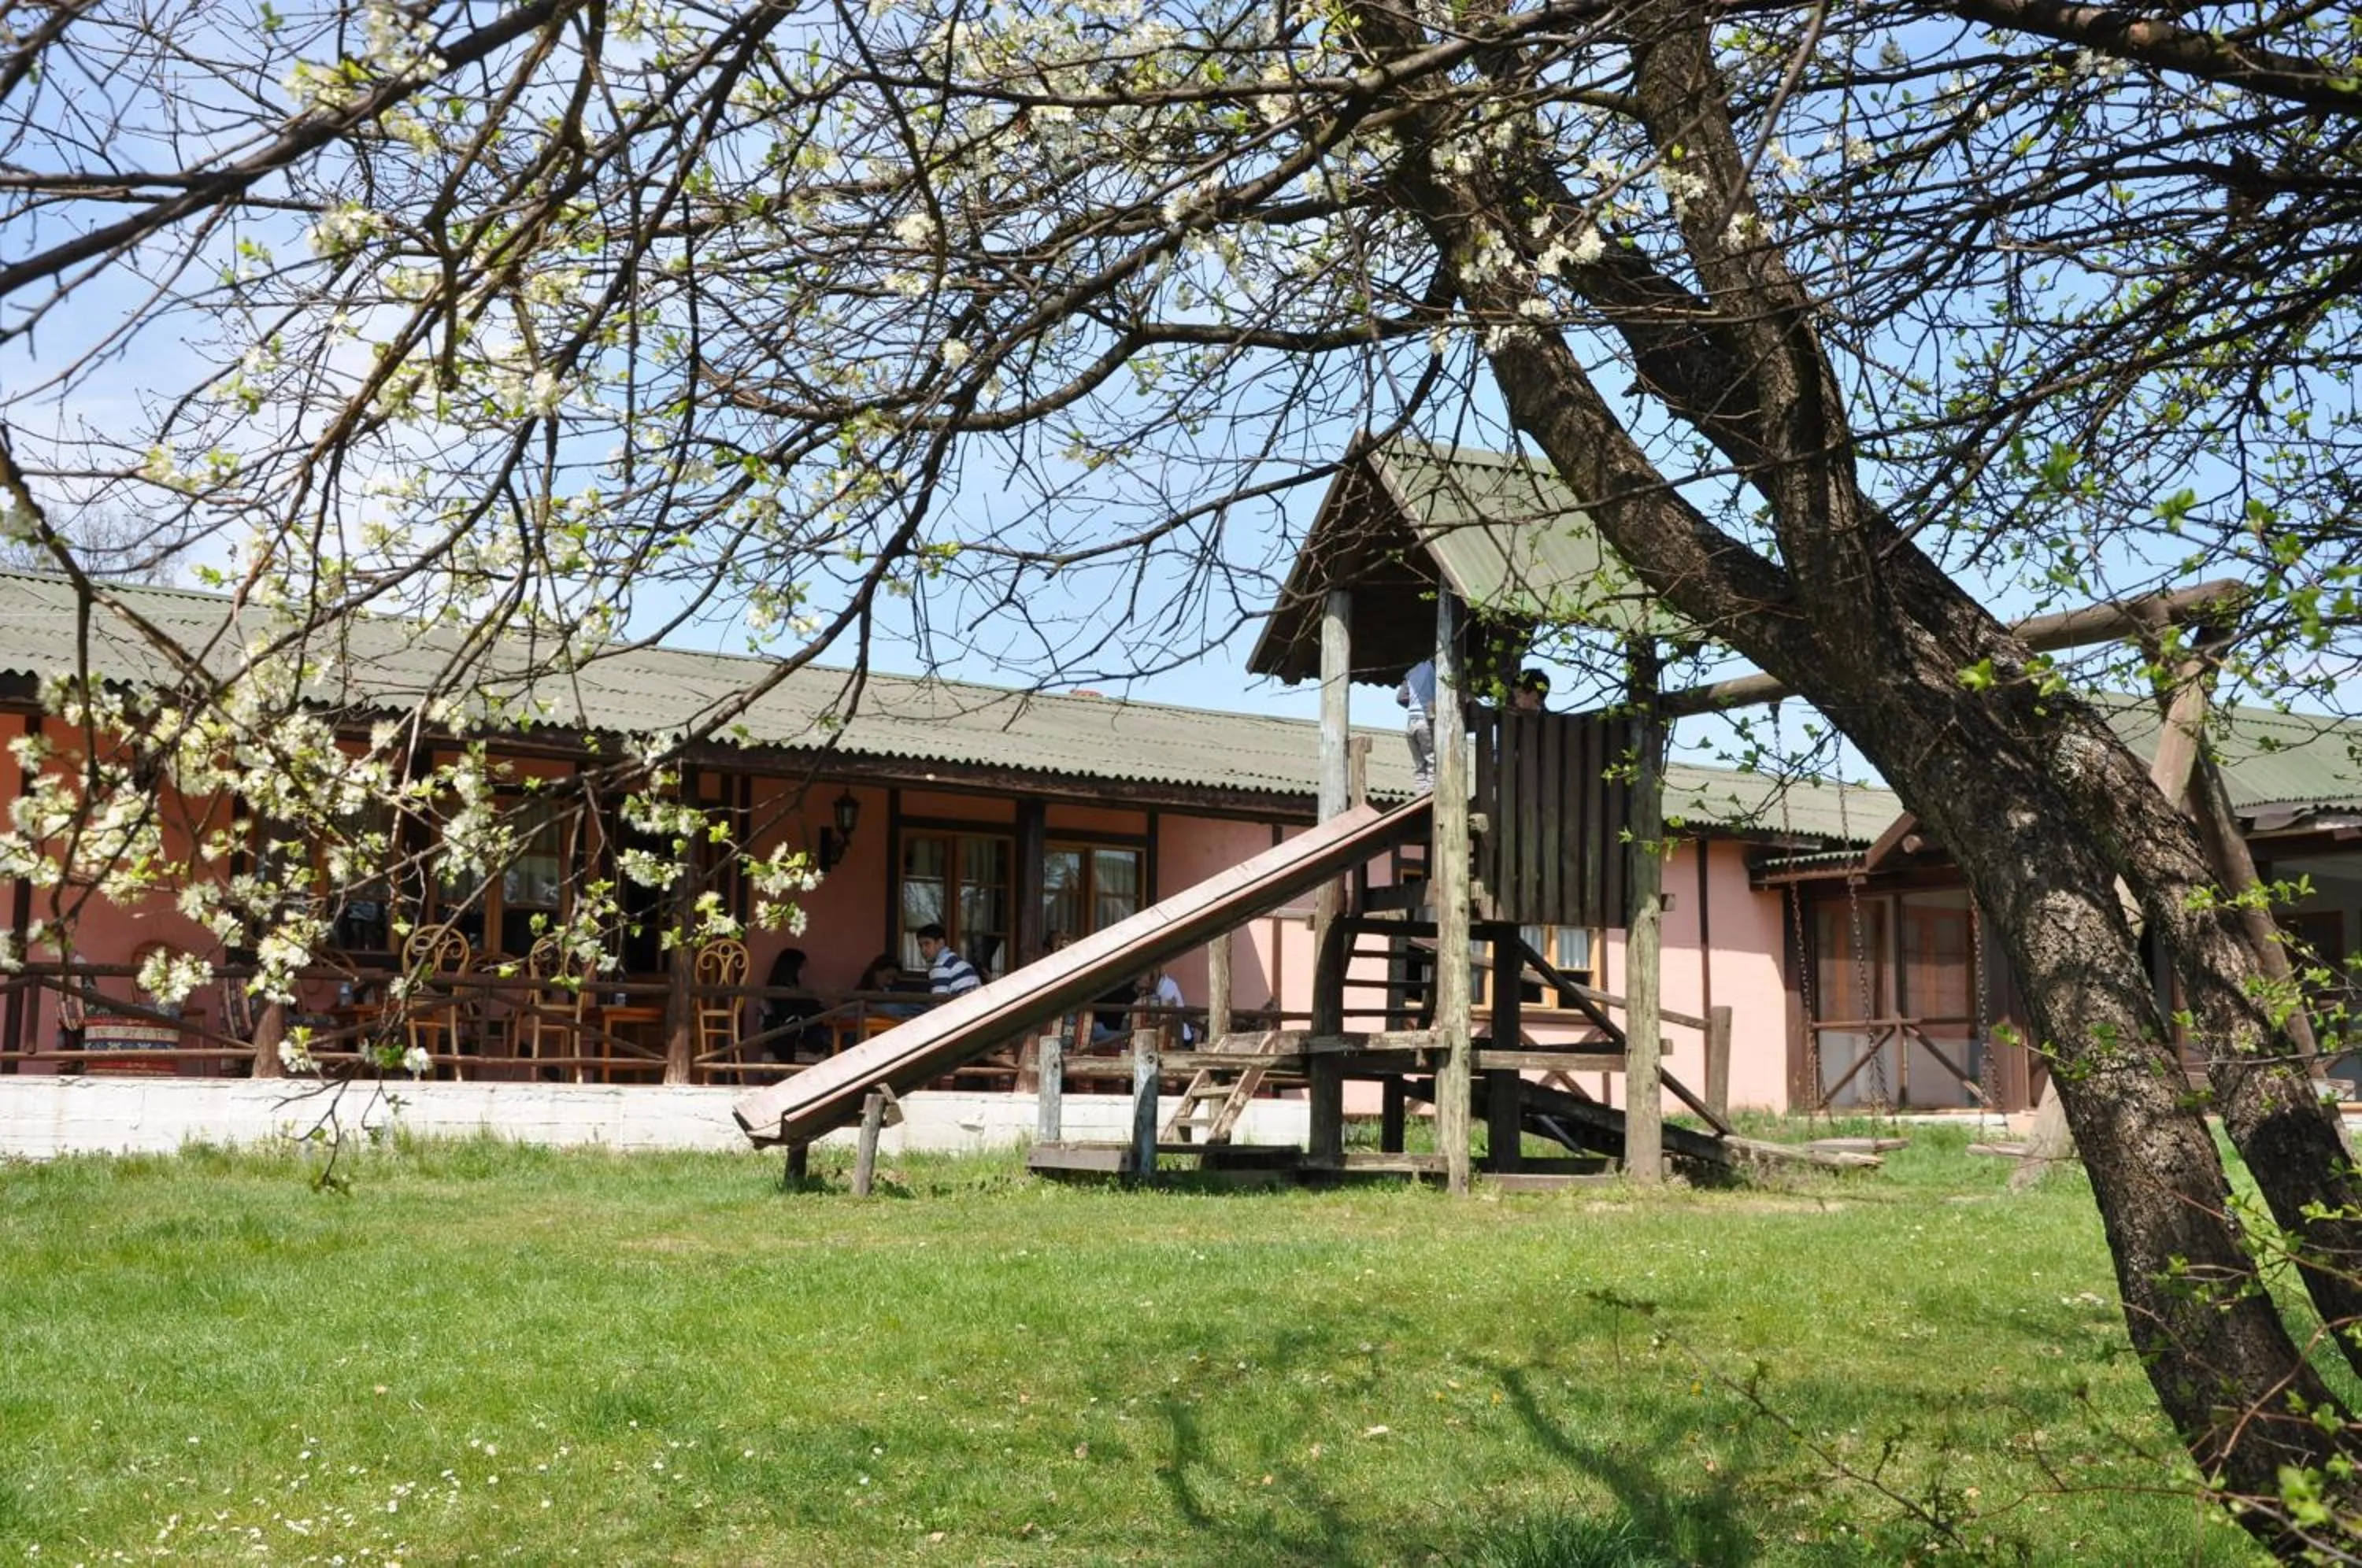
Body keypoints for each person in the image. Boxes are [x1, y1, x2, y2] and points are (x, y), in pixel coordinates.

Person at [758, 946, 824, 1062]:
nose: (804, 972)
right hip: (783, 1037)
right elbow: (793, 1012)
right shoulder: (778, 992)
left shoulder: (792, 991)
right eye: (802, 967)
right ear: (793, 969)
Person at [1398, 656, 1438, 792]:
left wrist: (1414, 705)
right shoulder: (1437, 668)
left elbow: (1400, 698)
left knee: (1420, 766)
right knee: (1433, 762)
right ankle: (1431, 798)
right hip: (1425, 721)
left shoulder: (1411, 672)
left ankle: (1421, 796)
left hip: (1410, 724)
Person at [914, 922, 982, 997]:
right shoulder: (953, 960)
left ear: (941, 943)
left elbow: (939, 1000)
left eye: (927, 944)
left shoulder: (941, 966)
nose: (923, 950)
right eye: (920, 945)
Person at [1143, 962, 1196, 1045]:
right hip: (1168, 1030)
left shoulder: (1168, 987)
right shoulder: (1157, 988)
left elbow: (1161, 1011)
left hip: (1180, 1035)